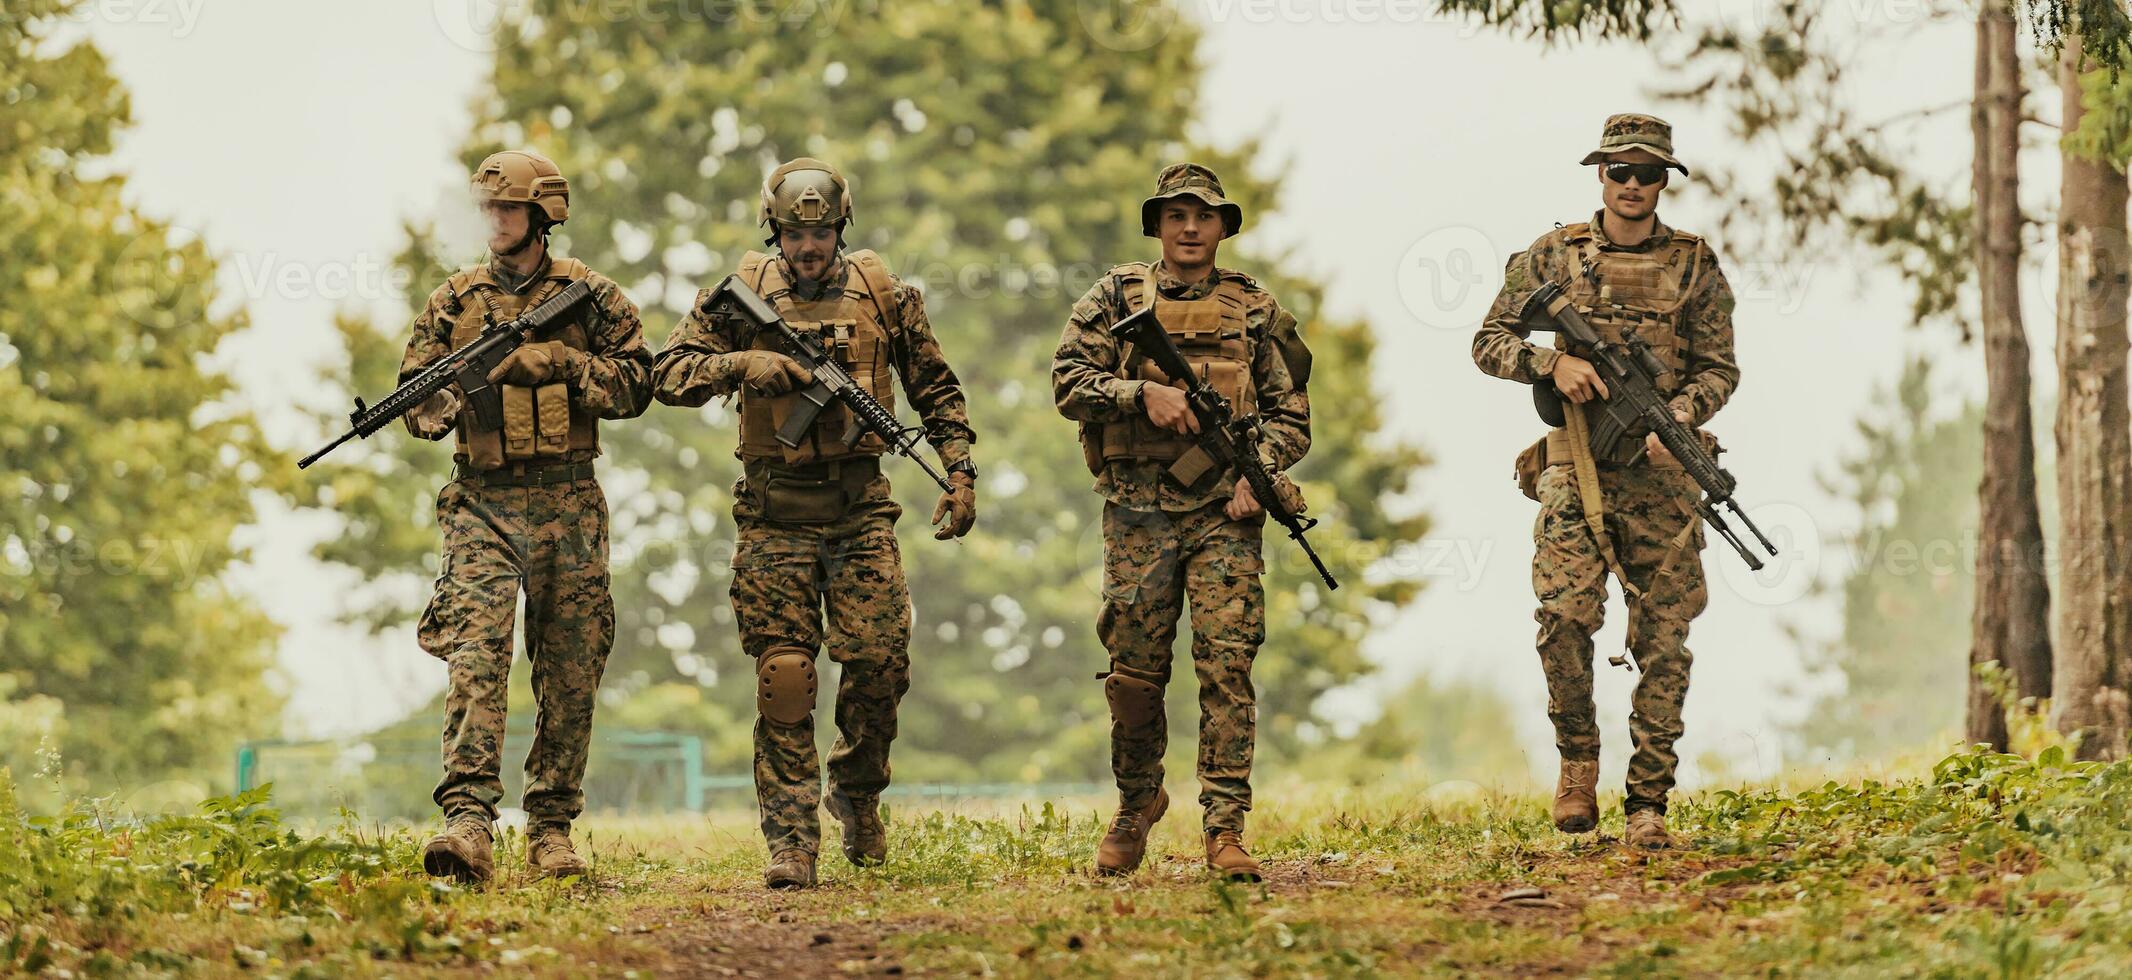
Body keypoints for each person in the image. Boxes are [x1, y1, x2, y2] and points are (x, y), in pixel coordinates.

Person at [652, 158, 978, 889]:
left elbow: (936, 388)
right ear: (775, 229)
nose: (809, 246)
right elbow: (665, 372)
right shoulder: (737, 298)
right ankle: (792, 842)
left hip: (861, 510)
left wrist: (959, 471)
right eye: (796, 233)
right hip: (774, 513)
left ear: (841, 228)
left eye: (822, 231)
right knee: (786, 675)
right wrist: (741, 367)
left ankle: (857, 793)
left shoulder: (884, 296)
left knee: (878, 661)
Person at [1472, 114, 1740, 850]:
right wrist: (1551, 364)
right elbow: (1490, 340)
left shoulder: (1693, 264)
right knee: (1561, 617)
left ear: (1664, 181)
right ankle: (1578, 762)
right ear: (1599, 173)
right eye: (1619, 170)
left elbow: (1721, 367)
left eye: (1646, 173)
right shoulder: (1553, 255)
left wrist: (1679, 412)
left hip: (1661, 476)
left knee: (1664, 640)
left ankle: (1648, 800)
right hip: (1576, 467)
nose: (1631, 184)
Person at [1052, 163, 1312, 881]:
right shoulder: (1114, 296)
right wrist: (1140, 395)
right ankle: (1137, 804)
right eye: (1176, 216)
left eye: (1204, 216)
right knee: (1135, 675)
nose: (1190, 228)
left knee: (1227, 665)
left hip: (1222, 518)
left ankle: (1225, 829)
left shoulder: (1255, 309)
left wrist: (1255, 475)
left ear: (1223, 227)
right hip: (1136, 512)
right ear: (1158, 226)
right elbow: (1068, 382)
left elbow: (1293, 417)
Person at [403, 149, 652, 882]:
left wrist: (564, 365)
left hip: (569, 503)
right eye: (487, 208)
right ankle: (469, 824)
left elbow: (643, 382)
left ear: (543, 215)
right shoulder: (453, 299)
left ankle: (551, 829)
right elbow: (415, 400)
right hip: (481, 503)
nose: (495, 221)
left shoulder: (593, 296)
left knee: (571, 668)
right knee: (476, 658)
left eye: (507, 208)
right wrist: (443, 400)